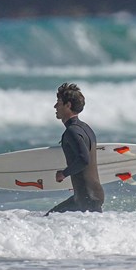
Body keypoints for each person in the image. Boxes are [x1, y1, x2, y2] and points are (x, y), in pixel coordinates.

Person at [46, 82, 105, 215]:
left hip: (86, 198)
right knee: (48, 219)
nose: (55, 106)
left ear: (68, 105)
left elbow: (84, 159)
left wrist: (64, 173)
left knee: (47, 221)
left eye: (59, 102)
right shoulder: (86, 128)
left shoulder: (72, 132)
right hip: (89, 195)